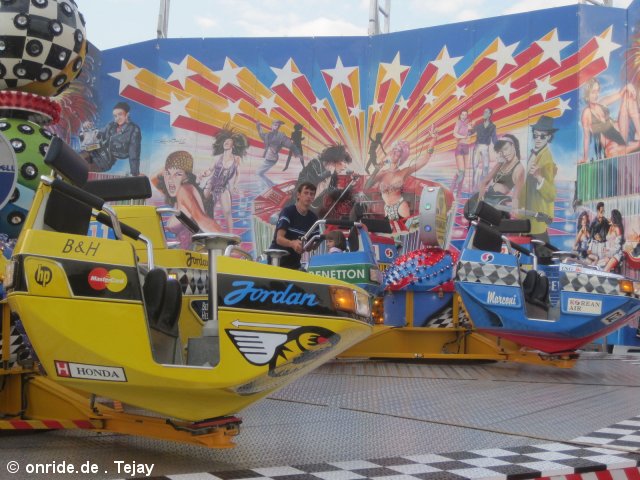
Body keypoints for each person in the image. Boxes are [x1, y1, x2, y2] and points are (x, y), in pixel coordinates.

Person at [365, 126, 438, 221]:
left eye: (398, 151)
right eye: (394, 150)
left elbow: (424, 160)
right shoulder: (382, 173)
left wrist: (433, 139)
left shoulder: (404, 172)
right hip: (387, 209)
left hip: (401, 207)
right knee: (390, 230)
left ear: (401, 156)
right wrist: (377, 168)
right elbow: (367, 186)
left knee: (404, 229)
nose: (395, 152)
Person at [152, 150, 222, 247]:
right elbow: (154, 179)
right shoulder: (177, 192)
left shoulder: (184, 191)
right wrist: (173, 164)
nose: (170, 180)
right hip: (186, 252)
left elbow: (203, 221)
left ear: (187, 176)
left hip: (192, 253)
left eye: (178, 174)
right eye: (168, 173)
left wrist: (224, 243)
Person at [521, 116, 558, 259]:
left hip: (536, 220)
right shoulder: (536, 153)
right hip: (528, 218)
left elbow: (551, 194)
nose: (537, 139)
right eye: (535, 135)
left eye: (542, 136)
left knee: (543, 259)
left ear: (549, 137)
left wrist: (538, 177)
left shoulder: (546, 159)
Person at [199, 128, 248, 233]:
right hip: (211, 185)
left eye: (228, 142)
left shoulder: (236, 159)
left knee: (227, 212)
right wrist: (204, 174)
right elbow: (210, 170)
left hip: (223, 187)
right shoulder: (218, 158)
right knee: (204, 206)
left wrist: (235, 185)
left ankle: (231, 236)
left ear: (233, 145)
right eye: (225, 142)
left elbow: (238, 174)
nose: (226, 143)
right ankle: (203, 230)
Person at [581, 77, 640, 163]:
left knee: (628, 95)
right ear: (587, 94)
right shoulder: (586, 114)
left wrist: (628, 86)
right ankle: (637, 145)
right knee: (610, 152)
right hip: (611, 144)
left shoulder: (602, 102)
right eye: (593, 92)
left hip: (620, 133)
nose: (596, 95)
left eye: (597, 91)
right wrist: (585, 158)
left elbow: (620, 94)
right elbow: (586, 137)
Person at [470, 134, 525, 217]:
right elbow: (484, 182)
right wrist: (480, 200)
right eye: (501, 151)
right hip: (486, 201)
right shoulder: (501, 163)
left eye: (506, 149)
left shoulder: (519, 169)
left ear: (513, 146)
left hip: (497, 205)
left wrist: (515, 209)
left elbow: (516, 196)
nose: (504, 153)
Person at [84, 101, 142, 176]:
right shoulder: (112, 125)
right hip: (95, 151)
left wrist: (135, 173)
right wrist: (88, 127)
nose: (117, 118)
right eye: (115, 116)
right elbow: (99, 134)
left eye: (120, 114)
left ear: (127, 114)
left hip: (105, 161)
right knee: (75, 158)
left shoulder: (134, 130)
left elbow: (134, 154)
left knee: (81, 168)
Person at [270, 182, 319, 269]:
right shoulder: (288, 212)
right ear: (298, 195)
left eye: (312, 194)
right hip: (277, 260)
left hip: (295, 262)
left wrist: (312, 245)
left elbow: (310, 247)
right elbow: (279, 239)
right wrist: (292, 243)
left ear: (314, 198)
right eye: (306, 193)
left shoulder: (313, 218)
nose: (309, 196)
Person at [296, 144, 352, 210]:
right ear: (335, 159)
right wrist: (327, 173)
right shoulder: (315, 164)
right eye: (344, 162)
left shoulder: (333, 176)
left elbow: (335, 195)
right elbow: (304, 189)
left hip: (311, 210)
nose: (345, 166)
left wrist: (351, 185)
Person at [256, 120, 296, 189]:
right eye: (275, 125)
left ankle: (272, 186)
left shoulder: (280, 135)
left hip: (272, 158)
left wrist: (291, 144)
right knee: (259, 173)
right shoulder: (268, 135)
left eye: (278, 126)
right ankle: (271, 185)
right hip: (268, 157)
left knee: (258, 173)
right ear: (271, 125)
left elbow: (287, 143)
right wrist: (259, 126)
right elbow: (262, 135)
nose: (276, 127)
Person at [471, 108, 498, 190]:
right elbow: (471, 132)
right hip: (477, 147)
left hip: (485, 147)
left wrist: (498, 147)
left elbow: (494, 138)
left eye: (486, 112)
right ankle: (474, 186)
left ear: (490, 114)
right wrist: (471, 127)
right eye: (484, 112)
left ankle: (483, 186)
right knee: (475, 166)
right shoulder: (479, 125)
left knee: (486, 167)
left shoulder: (492, 126)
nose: (484, 113)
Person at [452, 110, 472, 195]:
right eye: (462, 114)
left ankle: (458, 191)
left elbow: (469, 137)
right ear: (460, 115)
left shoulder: (468, 125)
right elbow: (454, 134)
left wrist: (469, 132)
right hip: (460, 147)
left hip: (466, 147)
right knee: (461, 171)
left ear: (467, 116)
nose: (464, 116)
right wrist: (463, 136)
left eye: (465, 115)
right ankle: (452, 188)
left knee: (463, 172)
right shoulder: (458, 122)